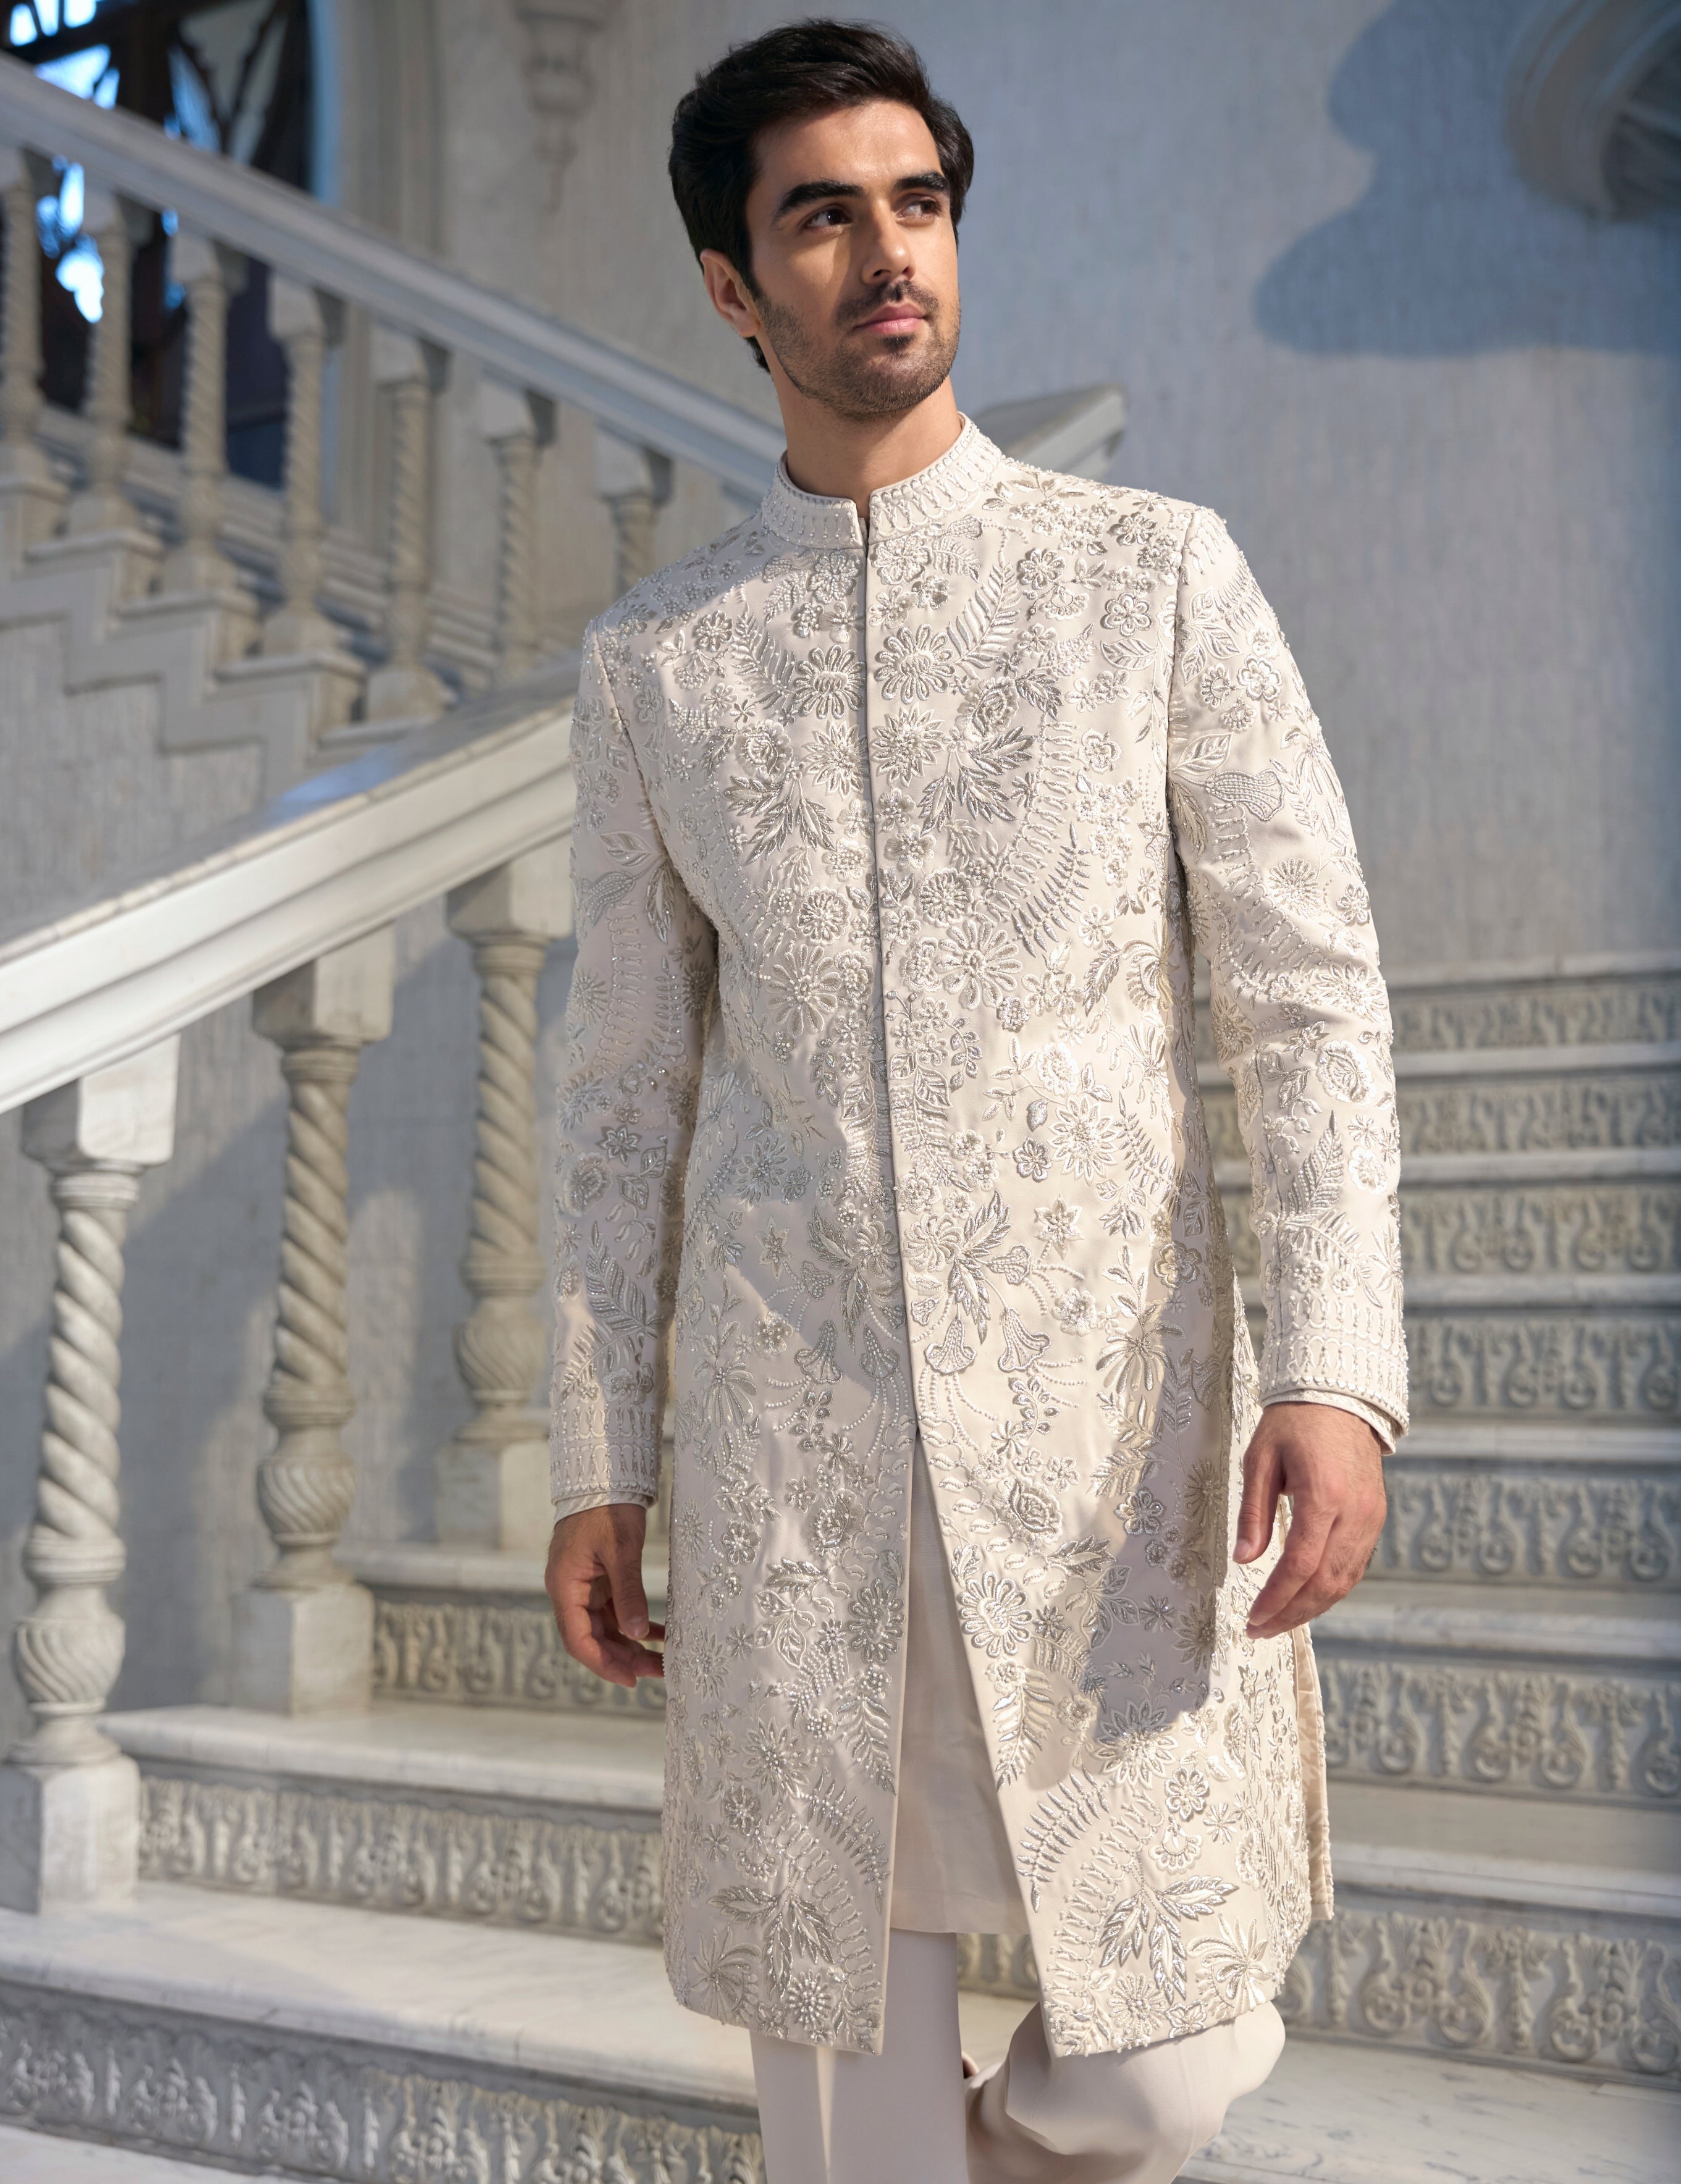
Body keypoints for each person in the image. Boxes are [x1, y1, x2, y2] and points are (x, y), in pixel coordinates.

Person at [545, 21, 1405, 2181]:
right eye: (821, 217)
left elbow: (1305, 998)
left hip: (1108, 1437)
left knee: (1165, 2059)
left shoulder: (1152, 573)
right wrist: (596, 1453)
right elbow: (621, 1092)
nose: (885, 255)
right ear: (734, 286)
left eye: (915, 203)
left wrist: (1335, 1370)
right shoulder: (660, 664)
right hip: (797, 1451)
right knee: (845, 2088)